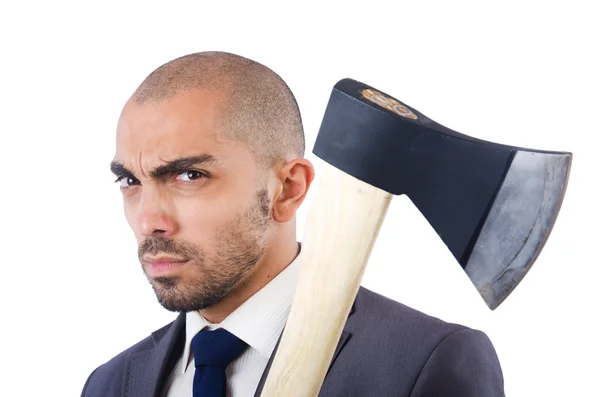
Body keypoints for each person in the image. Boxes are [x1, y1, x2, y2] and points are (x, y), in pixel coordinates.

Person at [80, 51, 505, 397]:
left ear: (287, 189)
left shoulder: (422, 363)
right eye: (129, 181)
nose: (148, 220)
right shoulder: (110, 384)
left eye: (189, 175)